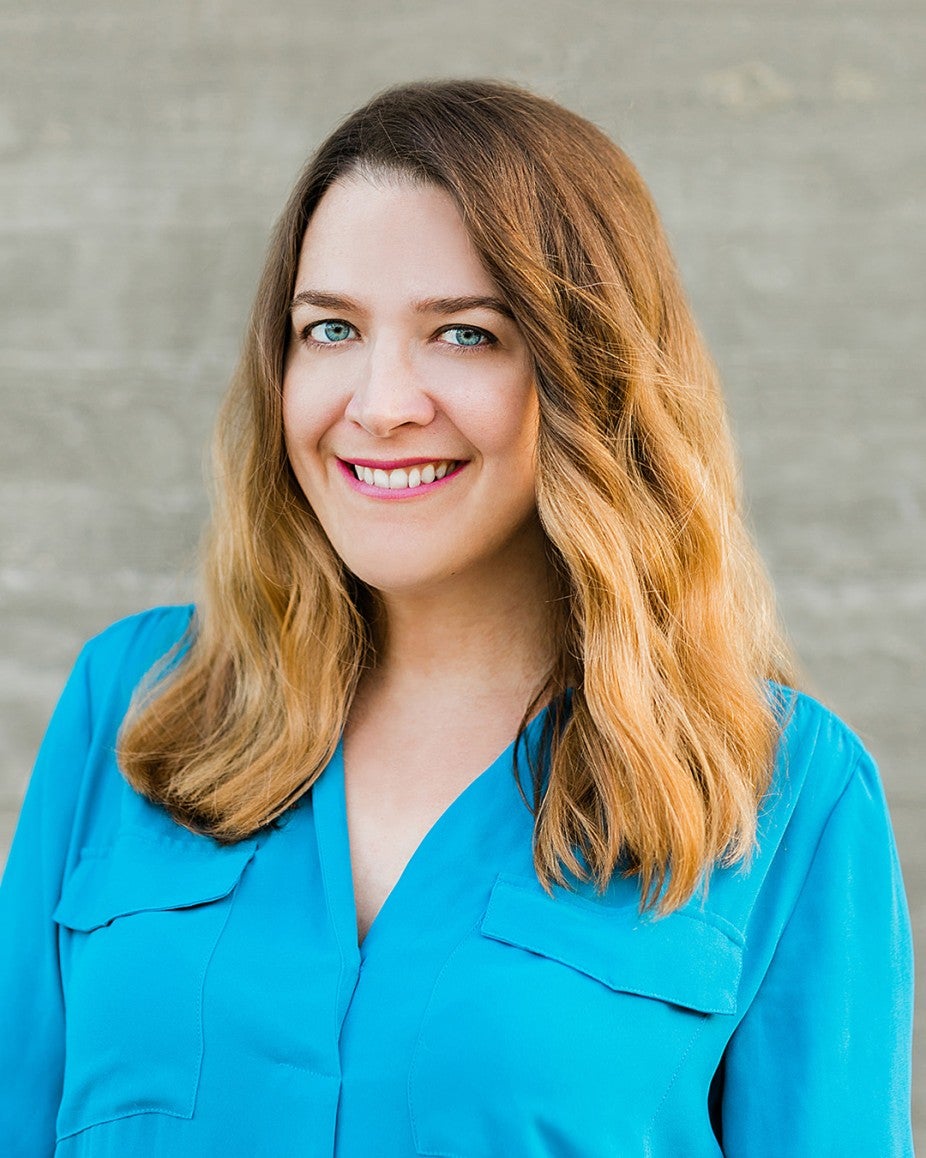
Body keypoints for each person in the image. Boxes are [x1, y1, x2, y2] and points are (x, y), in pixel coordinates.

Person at [0, 79, 914, 1157]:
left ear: (587, 373)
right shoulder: (132, 706)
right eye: (329, 328)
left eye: (465, 336)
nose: (379, 403)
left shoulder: (782, 793)